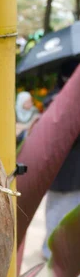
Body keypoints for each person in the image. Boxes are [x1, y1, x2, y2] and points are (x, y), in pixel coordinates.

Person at [43, 60, 80, 259]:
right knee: (60, 210)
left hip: (65, 166)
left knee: (62, 210)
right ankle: (52, 252)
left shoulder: (53, 98)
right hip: (64, 166)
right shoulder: (58, 100)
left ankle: (55, 250)